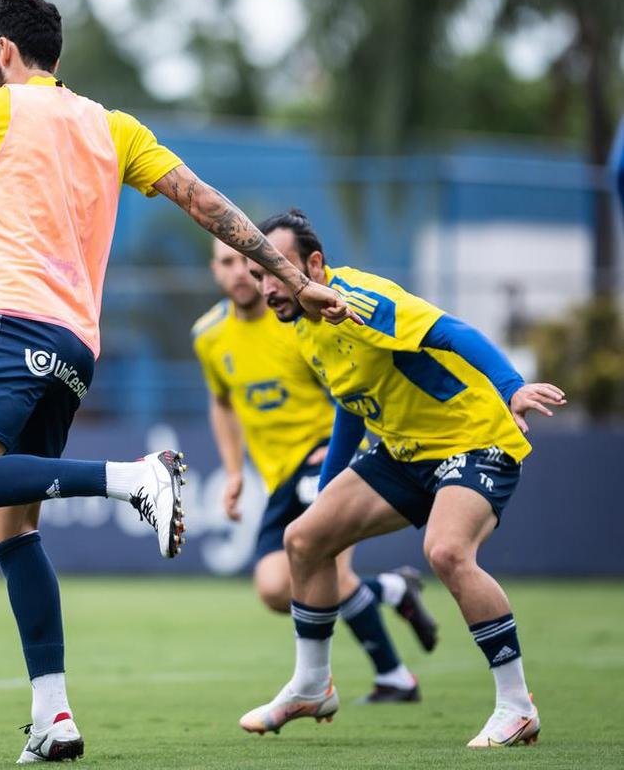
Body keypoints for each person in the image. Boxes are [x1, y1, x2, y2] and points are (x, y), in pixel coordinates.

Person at [0, 0, 356, 764]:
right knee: (9, 526)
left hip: (9, 325)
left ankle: (133, 478)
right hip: (75, 345)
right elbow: (206, 203)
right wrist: (288, 272)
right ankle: (53, 719)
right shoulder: (112, 126)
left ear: (5, 53)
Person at [239, 209, 566, 748]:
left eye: (276, 269)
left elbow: (452, 330)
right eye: (258, 273)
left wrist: (512, 387)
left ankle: (516, 705)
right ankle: (312, 686)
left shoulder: (363, 300)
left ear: (315, 265)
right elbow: (351, 403)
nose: (266, 285)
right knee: (305, 538)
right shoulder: (302, 324)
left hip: (474, 438)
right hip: (403, 452)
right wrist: (327, 495)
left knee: (447, 552)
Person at [193, 240, 437, 704]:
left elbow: (349, 388)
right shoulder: (208, 334)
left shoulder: (298, 320)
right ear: (214, 271)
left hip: (327, 459)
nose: (240, 274)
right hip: (278, 475)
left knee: (330, 570)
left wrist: (336, 455)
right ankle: (391, 588)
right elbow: (222, 403)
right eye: (227, 263)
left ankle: (395, 678)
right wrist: (232, 472)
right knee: (273, 589)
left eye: (250, 264)